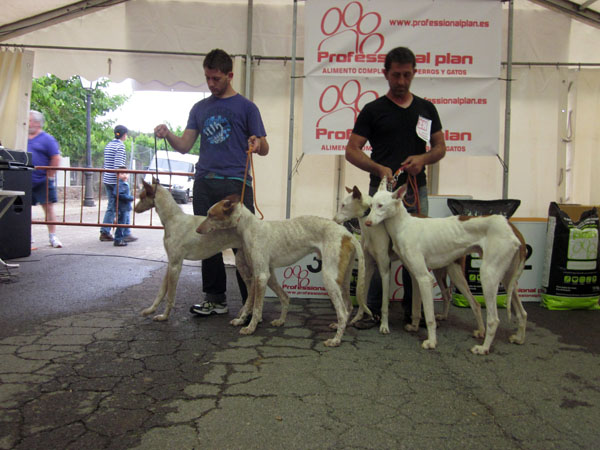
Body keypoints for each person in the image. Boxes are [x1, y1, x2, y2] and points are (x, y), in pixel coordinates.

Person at [154, 48, 269, 317]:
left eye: (216, 78)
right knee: (206, 239)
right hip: (205, 181)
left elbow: (264, 148)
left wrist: (257, 144)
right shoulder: (199, 108)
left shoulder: (247, 107)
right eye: (207, 78)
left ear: (230, 75)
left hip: (236, 183)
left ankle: (251, 304)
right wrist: (168, 134)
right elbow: (185, 145)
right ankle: (215, 299)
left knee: (244, 242)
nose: (211, 84)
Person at [344, 46, 447, 328]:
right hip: (380, 195)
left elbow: (440, 147)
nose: (401, 81)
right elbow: (351, 150)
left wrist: (423, 159)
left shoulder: (426, 109)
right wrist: (378, 168)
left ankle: (416, 313)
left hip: (415, 191)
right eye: (396, 75)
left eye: (406, 75)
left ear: (414, 73)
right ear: (385, 74)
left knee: (418, 253)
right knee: (378, 254)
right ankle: (373, 311)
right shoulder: (373, 110)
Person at [28, 110, 63, 248]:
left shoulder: (47, 139)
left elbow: (56, 157)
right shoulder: (22, 137)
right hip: (25, 179)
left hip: (42, 179)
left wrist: (49, 175)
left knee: (48, 208)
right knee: (23, 209)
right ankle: (26, 236)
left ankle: (52, 236)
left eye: (30, 121)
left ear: (37, 123)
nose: (27, 123)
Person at [99, 125, 137, 243]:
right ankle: (125, 232)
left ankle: (105, 231)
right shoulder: (120, 146)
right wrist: (123, 176)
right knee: (124, 206)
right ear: (124, 134)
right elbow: (118, 165)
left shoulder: (109, 145)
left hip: (107, 179)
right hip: (116, 181)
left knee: (111, 206)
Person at [113, 166, 135, 247]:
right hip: (122, 207)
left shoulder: (124, 183)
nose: (125, 175)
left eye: (126, 173)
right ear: (117, 175)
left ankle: (124, 236)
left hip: (125, 207)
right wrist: (129, 198)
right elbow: (118, 194)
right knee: (121, 224)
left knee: (125, 223)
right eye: (122, 173)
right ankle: (118, 239)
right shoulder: (120, 184)